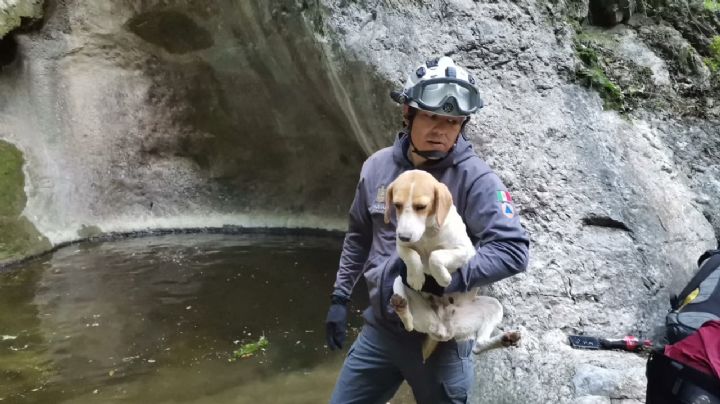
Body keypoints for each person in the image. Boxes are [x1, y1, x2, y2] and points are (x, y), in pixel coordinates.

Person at [325, 56, 530, 404]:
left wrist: (447, 277)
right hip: (383, 328)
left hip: (445, 337)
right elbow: (359, 235)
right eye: (432, 117)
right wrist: (340, 297)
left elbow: (513, 250)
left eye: (452, 122)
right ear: (408, 113)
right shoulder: (377, 168)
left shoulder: (475, 179)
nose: (442, 130)